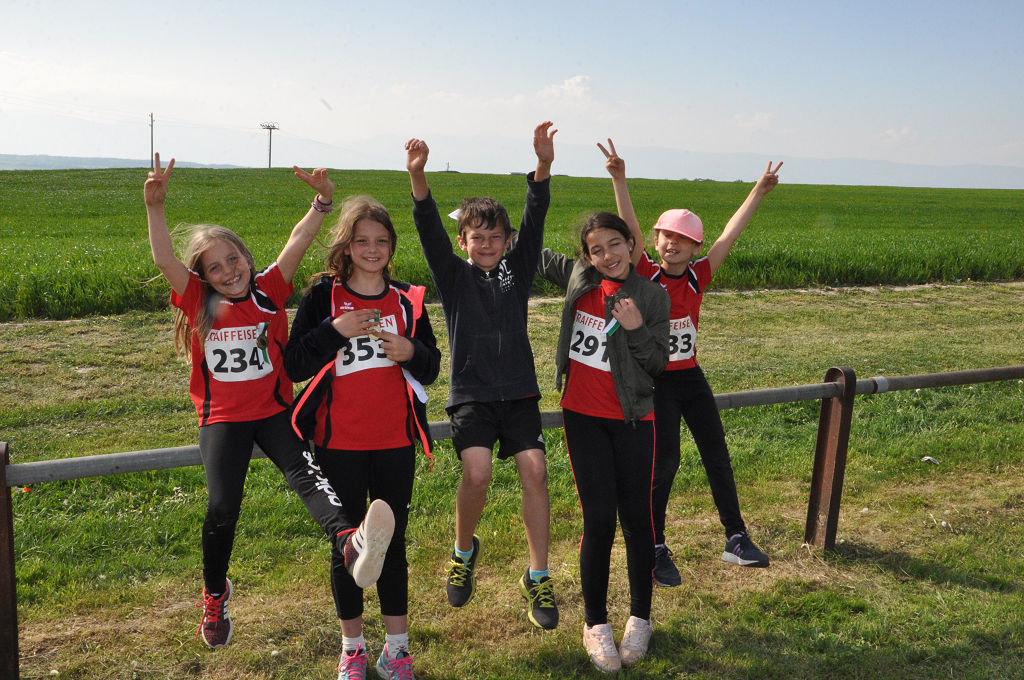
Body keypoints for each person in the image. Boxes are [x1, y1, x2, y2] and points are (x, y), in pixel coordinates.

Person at [144, 153, 394, 650]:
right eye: (215, 267)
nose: (228, 271)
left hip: (276, 412)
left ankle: (350, 543)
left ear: (247, 256)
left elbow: (298, 240)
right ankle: (215, 593)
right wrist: (155, 207)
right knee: (222, 507)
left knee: (308, 476)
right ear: (204, 276)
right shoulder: (201, 300)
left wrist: (322, 201)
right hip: (223, 419)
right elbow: (164, 261)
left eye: (233, 259)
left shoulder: (269, 290)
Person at [597, 139, 781, 584]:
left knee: (717, 452)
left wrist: (758, 191)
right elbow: (630, 227)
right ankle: (655, 547)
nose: (673, 244)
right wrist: (620, 179)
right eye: (667, 236)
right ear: (655, 241)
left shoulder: (700, 276)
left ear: (696, 247)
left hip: (691, 379)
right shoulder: (645, 272)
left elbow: (729, 235)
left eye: (683, 239)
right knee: (664, 464)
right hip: (655, 381)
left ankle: (736, 537)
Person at [403, 122, 560, 631]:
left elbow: (536, 217)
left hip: (519, 393)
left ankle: (538, 576)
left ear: (508, 241)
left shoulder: (518, 270)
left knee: (535, 471)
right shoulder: (454, 275)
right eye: (477, 237)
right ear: (463, 241)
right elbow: (427, 226)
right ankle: (463, 552)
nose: (487, 244)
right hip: (471, 394)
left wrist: (542, 166)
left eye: (496, 237)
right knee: (477, 473)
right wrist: (418, 175)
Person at [284, 195, 440, 680]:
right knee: (348, 546)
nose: (372, 249)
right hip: (338, 445)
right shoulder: (323, 297)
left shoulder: (408, 299)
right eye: (361, 241)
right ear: (346, 246)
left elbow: (432, 367)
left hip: (395, 443)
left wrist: (410, 350)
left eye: (381, 241)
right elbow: (294, 364)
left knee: (392, 546)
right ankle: (352, 650)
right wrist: (335, 331)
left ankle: (397, 651)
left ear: (391, 246)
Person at [537, 213, 670, 672]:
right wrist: (483, 221)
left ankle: (640, 618)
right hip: (583, 418)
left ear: (631, 243)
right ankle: (595, 624)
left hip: (633, 419)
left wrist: (635, 327)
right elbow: (530, 251)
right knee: (597, 520)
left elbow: (657, 363)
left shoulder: (651, 295)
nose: (608, 255)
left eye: (615, 243)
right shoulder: (579, 278)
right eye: (597, 249)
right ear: (587, 256)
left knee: (637, 519)